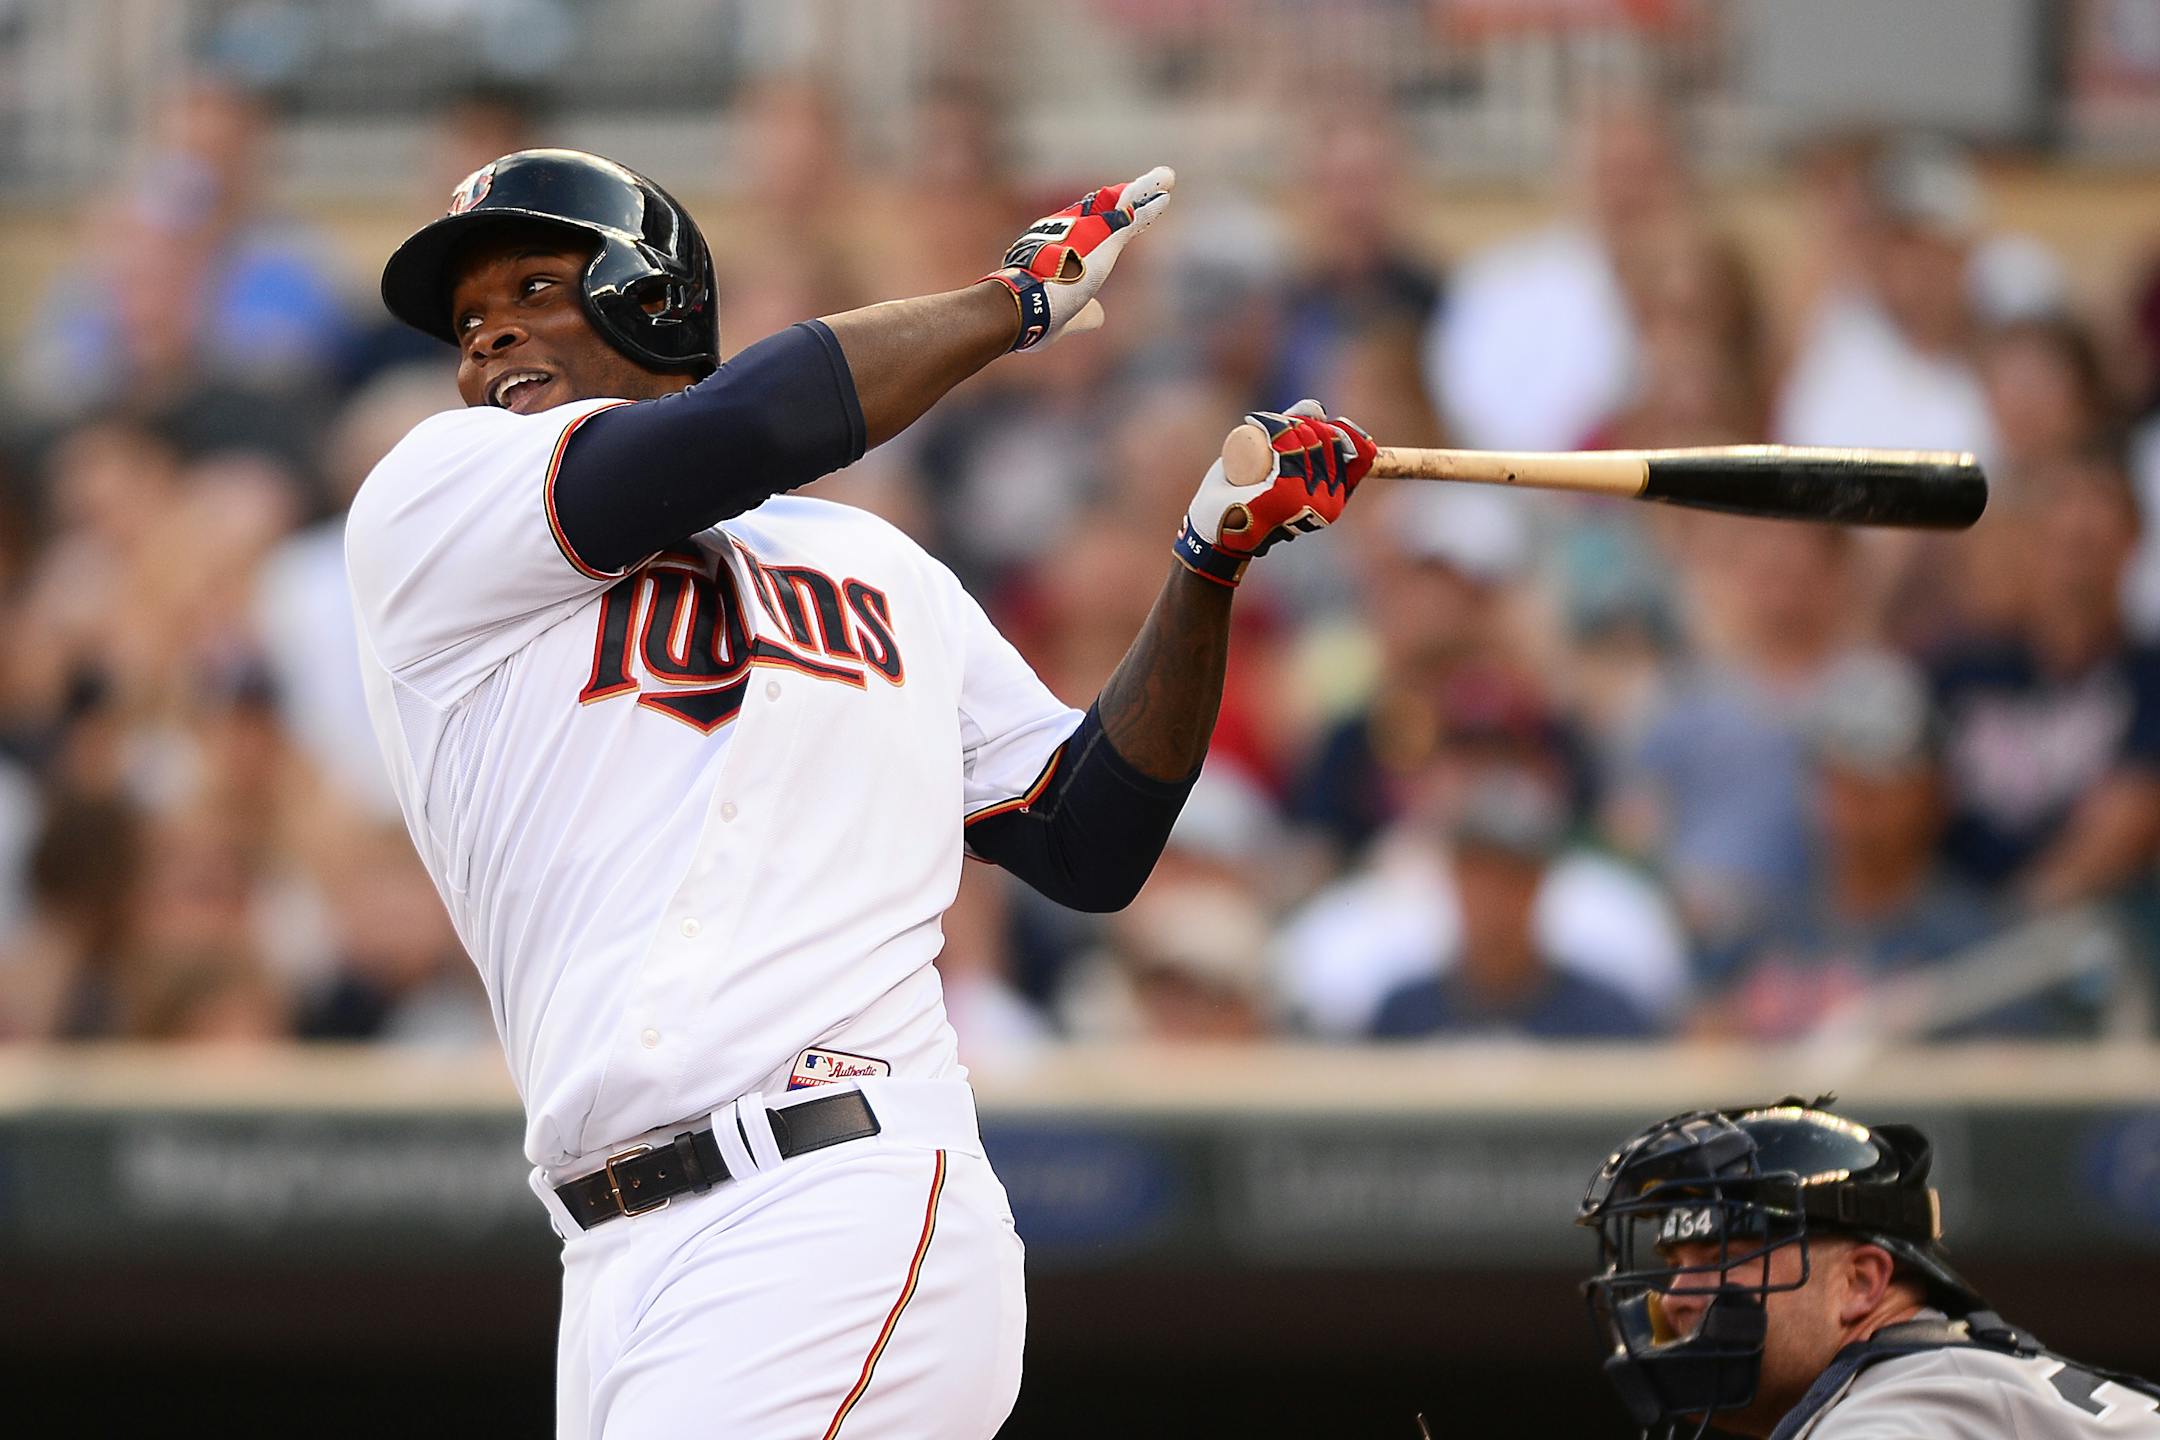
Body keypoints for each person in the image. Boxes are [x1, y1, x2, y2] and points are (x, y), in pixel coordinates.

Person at [345, 148, 1376, 1439]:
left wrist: (1204, 566)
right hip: (607, 1260)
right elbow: (754, 426)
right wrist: (1008, 303)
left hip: (837, 1189)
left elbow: (1084, 833)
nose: (488, 332)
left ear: (649, 301)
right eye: (468, 318)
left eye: (536, 286)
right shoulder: (433, 505)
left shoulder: (875, 564)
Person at [1577, 1097, 2160, 1439]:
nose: (1676, 1297)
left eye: (1723, 1257)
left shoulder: (1907, 1409)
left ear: (1860, 1283)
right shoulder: (1958, 1383)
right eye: (1676, 1264)